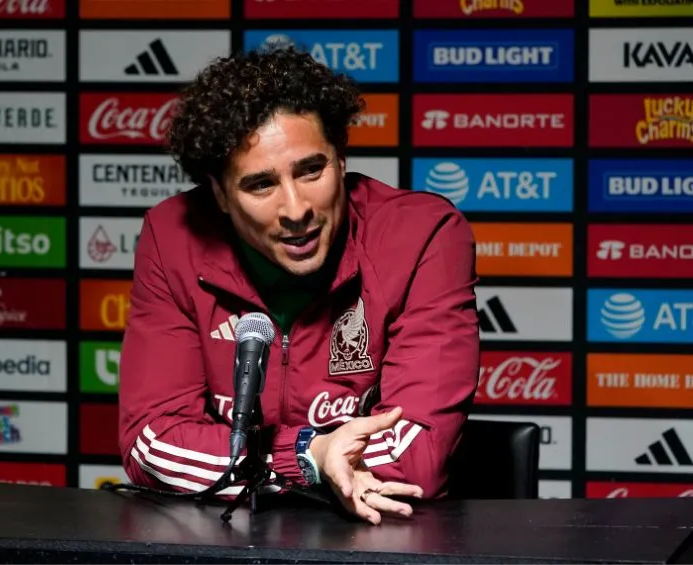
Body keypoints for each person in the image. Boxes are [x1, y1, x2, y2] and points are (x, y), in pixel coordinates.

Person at [118, 46, 480, 525]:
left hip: (380, 536)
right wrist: (310, 455)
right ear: (221, 195)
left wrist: (252, 463)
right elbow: (151, 444)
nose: (295, 210)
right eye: (260, 185)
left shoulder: (422, 235)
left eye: (312, 170)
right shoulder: (173, 237)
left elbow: (418, 453)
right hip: (230, 541)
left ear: (342, 159)